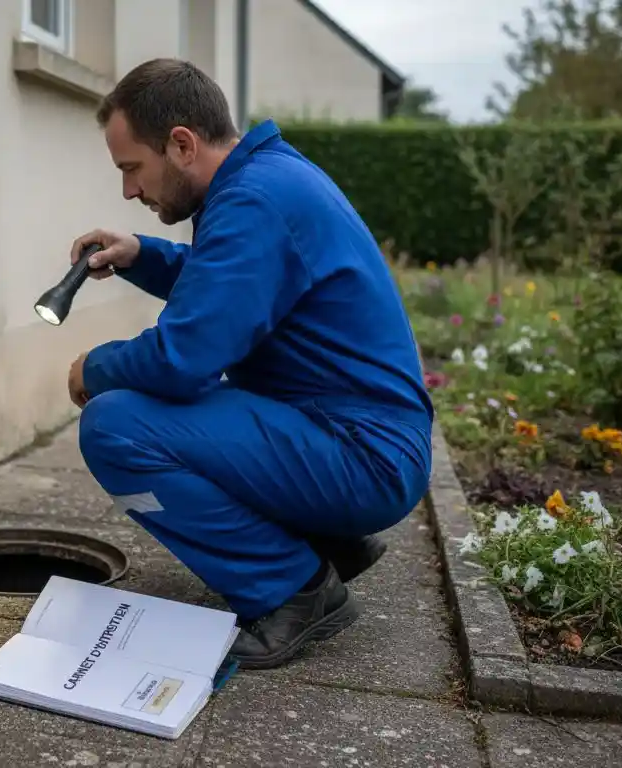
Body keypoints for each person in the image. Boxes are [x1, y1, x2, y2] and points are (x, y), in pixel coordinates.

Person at [65, 59, 434, 670]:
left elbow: (181, 361)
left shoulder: (254, 201)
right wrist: (141, 257)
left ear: (181, 144)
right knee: (171, 410)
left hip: (363, 454)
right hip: (359, 436)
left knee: (115, 426)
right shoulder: (263, 181)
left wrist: (92, 369)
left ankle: (293, 588)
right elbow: (234, 292)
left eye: (132, 168)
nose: (129, 191)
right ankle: (325, 537)